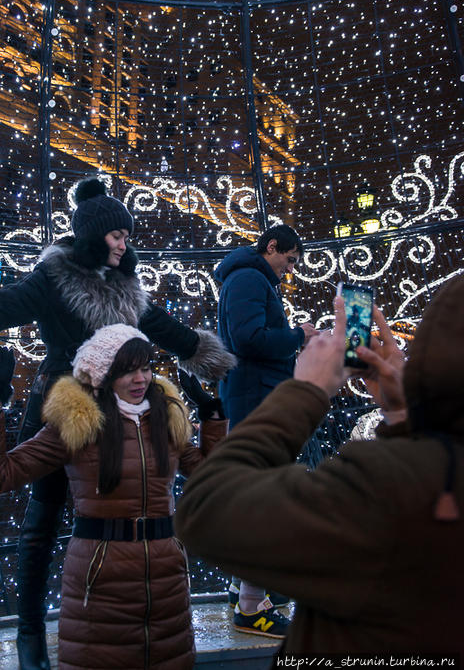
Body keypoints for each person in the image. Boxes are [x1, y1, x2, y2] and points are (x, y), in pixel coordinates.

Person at [0, 177, 234, 669]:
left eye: (128, 235)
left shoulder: (127, 289)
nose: (126, 243)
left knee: (114, 517)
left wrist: (215, 359)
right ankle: (30, 633)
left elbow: (166, 328)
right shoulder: (54, 278)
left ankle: (107, 621)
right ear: (92, 235)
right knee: (42, 524)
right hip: (66, 410)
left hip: (120, 420)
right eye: (117, 235)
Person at [175, 278, 464, 656]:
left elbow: (206, 510)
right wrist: (403, 416)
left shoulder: (393, 483)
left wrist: (305, 390)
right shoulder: (432, 475)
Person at [0, 325, 228, 670]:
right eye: (128, 370)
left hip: (167, 582)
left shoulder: (164, 417)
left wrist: (211, 415)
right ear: (104, 374)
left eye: (146, 367)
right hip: (102, 579)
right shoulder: (78, 422)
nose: (141, 379)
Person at [213, 223, 318, 635]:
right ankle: (251, 605)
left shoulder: (249, 279)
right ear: (271, 247)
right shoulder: (250, 278)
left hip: (255, 397)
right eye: (289, 260)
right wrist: (297, 336)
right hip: (257, 400)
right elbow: (248, 338)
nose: (289, 270)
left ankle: (245, 587)